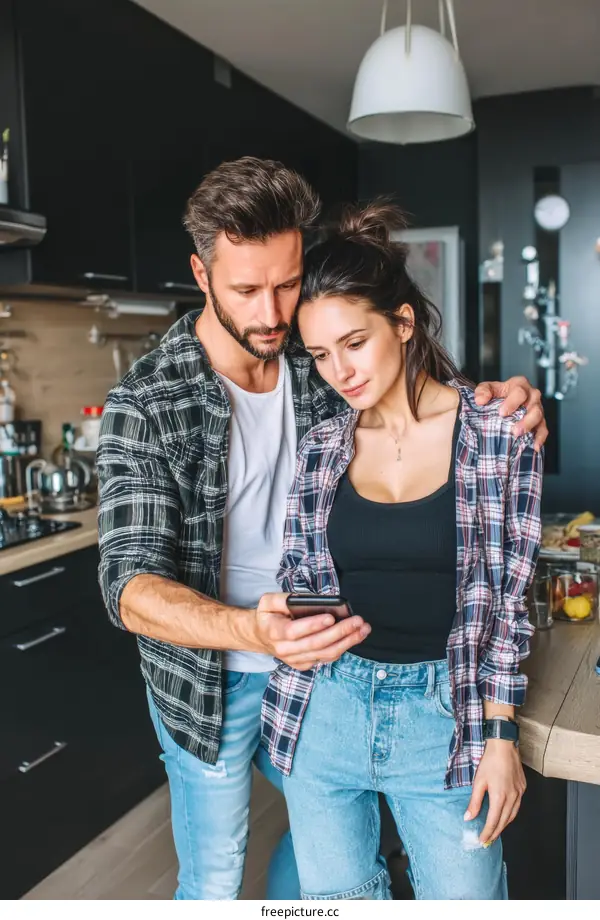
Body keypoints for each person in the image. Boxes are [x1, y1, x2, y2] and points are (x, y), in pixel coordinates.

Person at [97, 157, 547, 901]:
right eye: (247, 289)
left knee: (316, 870)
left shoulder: (312, 351)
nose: (274, 312)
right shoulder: (148, 400)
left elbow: (408, 385)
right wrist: (254, 631)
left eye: (287, 283)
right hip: (213, 672)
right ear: (201, 275)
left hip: (323, 670)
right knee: (215, 879)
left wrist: (505, 399)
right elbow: (129, 585)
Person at [260, 202, 544, 901]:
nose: (339, 371)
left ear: (403, 323)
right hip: (326, 711)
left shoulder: (496, 435)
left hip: (442, 720)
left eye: (353, 343)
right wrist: (285, 613)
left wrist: (500, 737)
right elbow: (305, 577)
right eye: (321, 355)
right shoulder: (322, 449)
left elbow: (510, 603)